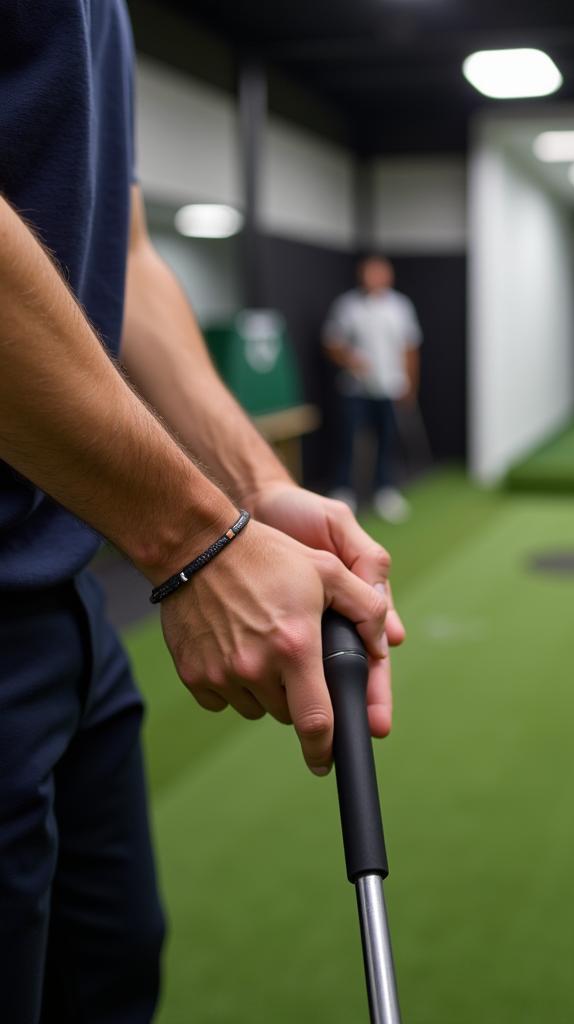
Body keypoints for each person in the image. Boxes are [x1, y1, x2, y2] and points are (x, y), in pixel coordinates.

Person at [0, 4, 404, 1021]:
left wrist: (252, 486)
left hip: (57, 590)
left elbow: (122, 257)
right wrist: (193, 538)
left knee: (113, 968)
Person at [322, 255, 422, 523]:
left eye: (380, 273)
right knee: (349, 439)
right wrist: (350, 359)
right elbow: (332, 342)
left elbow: (410, 347)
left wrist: (410, 384)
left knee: (386, 440)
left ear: (388, 276)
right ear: (362, 275)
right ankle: (344, 490)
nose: (375, 278)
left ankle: (384, 490)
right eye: (370, 273)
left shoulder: (400, 306)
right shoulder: (348, 305)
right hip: (355, 388)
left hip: (391, 386)